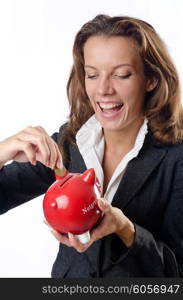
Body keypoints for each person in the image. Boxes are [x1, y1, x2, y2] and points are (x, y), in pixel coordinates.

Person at [0, 14, 183, 278]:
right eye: (92, 74)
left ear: (151, 79)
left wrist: (125, 230)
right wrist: (3, 151)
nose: (103, 90)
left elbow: (176, 272)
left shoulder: (175, 157)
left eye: (121, 75)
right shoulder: (72, 141)